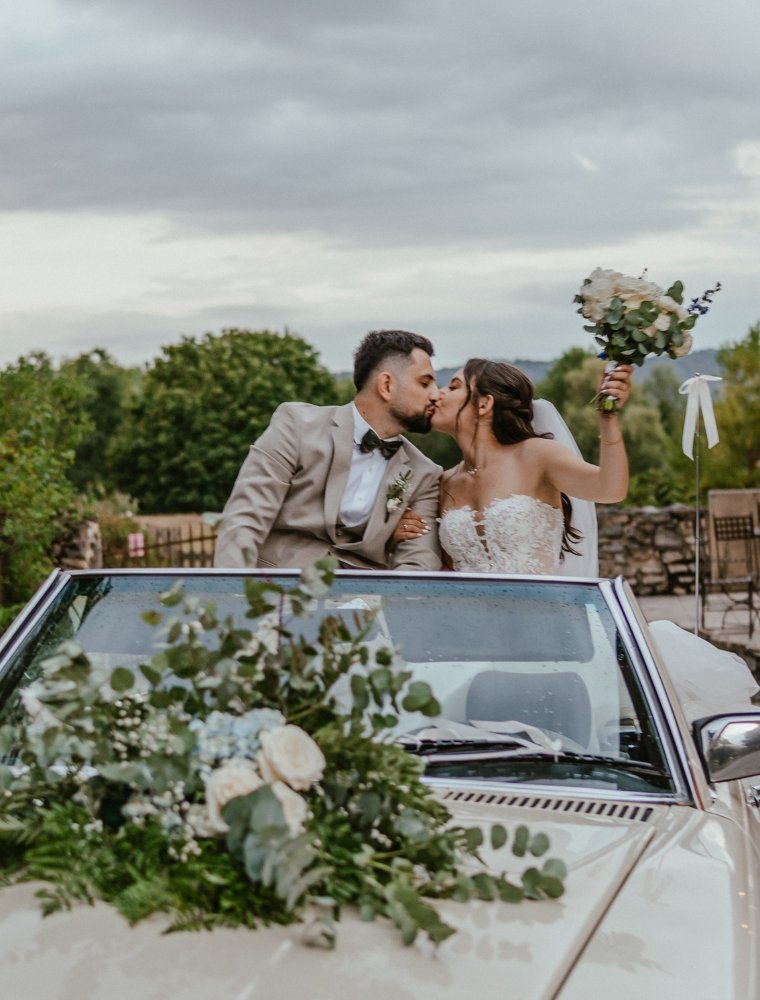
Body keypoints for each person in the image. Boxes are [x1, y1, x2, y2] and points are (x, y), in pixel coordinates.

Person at [213, 330, 443, 571]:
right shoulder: (297, 426)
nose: (436, 394)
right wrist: (234, 589)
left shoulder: (424, 473)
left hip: (363, 592)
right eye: (424, 383)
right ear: (386, 385)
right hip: (277, 584)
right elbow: (246, 518)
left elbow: (418, 562)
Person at [393, 358, 631, 575]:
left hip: (541, 608)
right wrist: (396, 532)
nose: (437, 394)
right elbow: (439, 564)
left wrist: (608, 420)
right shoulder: (445, 482)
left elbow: (610, 489)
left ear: (484, 404)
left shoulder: (537, 456)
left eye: (454, 387)